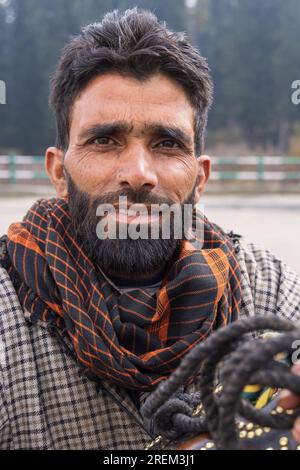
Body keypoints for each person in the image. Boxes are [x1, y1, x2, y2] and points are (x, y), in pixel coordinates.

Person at [0, 8, 299, 450]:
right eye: (104, 140)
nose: (138, 173)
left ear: (200, 178)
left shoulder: (264, 286)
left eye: (166, 143)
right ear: (59, 172)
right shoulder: (8, 315)